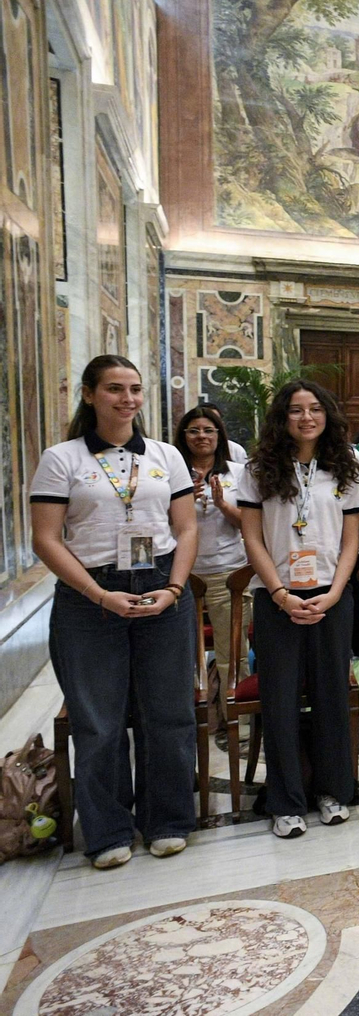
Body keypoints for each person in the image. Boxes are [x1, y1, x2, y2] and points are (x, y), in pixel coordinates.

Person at [30, 355, 200, 869]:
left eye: (135, 390)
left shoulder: (166, 455)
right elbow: (45, 538)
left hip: (160, 589)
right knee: (99, 720)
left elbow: (187, 528)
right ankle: (107, 830)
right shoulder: (62, 459)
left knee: (168, 713)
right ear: (89, 395)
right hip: (90, 597)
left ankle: (168, 819)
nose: (127, 399)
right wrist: (98, 595)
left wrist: (174, 588)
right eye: (114, 389)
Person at [236, 381, 359, 840]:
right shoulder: (258, 469)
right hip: (279, 597)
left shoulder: (347, 466)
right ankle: (286, 800)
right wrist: (277, 593)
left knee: (332, 693)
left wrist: (336, 592)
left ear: (327, 414)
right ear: (282, 417)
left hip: (332, 594)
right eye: (295, 410)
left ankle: (333, 792)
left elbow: (353, 539)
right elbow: (252, 537)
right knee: (280, 699)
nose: (306, 417)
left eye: (314, 409)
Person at [175, 405, 251, 748]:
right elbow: (155, 521)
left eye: (208, 430)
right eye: (194, 431)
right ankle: (193, 722)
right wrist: (182, 501)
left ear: (219, 436)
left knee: (232, 652)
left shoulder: (238, 471)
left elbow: (248, 525)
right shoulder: (171, 471)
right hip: (180, 572)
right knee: (179, 654)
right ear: (183, 436)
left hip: (227, 570)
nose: (201, 437)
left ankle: (237, 723)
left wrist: (222, 504)